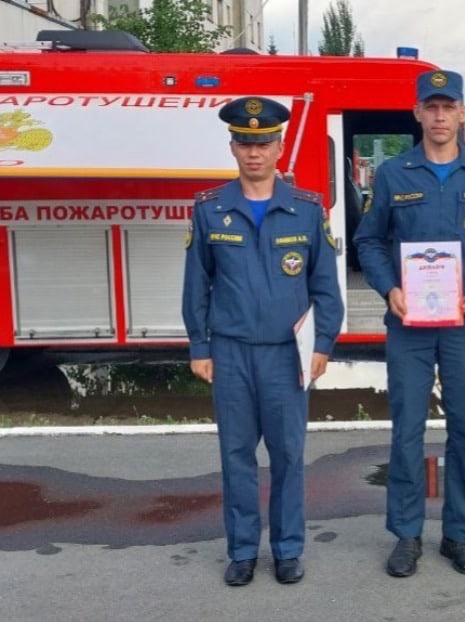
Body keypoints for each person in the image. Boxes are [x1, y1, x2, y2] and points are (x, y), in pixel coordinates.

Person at [354, 70, 465, 577]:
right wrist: (390, 288)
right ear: (418, 113)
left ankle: (459, 535)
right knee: (407, 430)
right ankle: (407, 534)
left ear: (463, 113)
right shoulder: (394, 174)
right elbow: (368, 241)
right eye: (432, 107)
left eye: (449, 107)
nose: (441, 116)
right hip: (410, 325)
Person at [182, 96, 344, 587]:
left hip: (286, 356)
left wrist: (323, 346)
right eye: (245, 143)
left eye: (264, 143)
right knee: (236, 457)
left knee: (289, 456)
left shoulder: (306, 210)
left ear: (279, 148)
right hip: (231, 353)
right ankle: (243, 551)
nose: (254, 152)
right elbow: (196, 286)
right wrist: (199, 346)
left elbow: (325, 287)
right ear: (233, 147)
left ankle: (288, 549)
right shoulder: (211, 210)